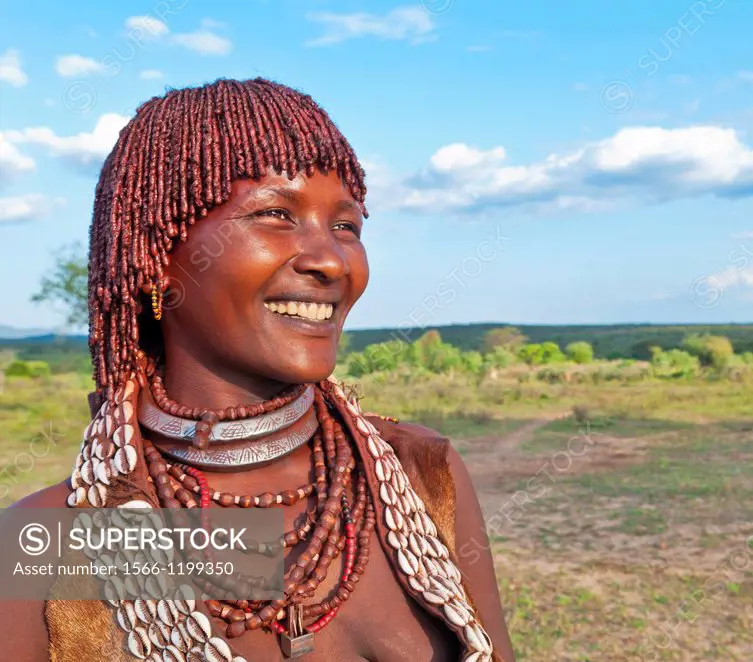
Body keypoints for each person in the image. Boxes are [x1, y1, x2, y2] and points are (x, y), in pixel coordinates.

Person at [1, 78, 515, 662]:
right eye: (275, 213)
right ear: (155, 260)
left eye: (346, 226)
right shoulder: (44, 545)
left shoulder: (421, 473)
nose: (330, 260)